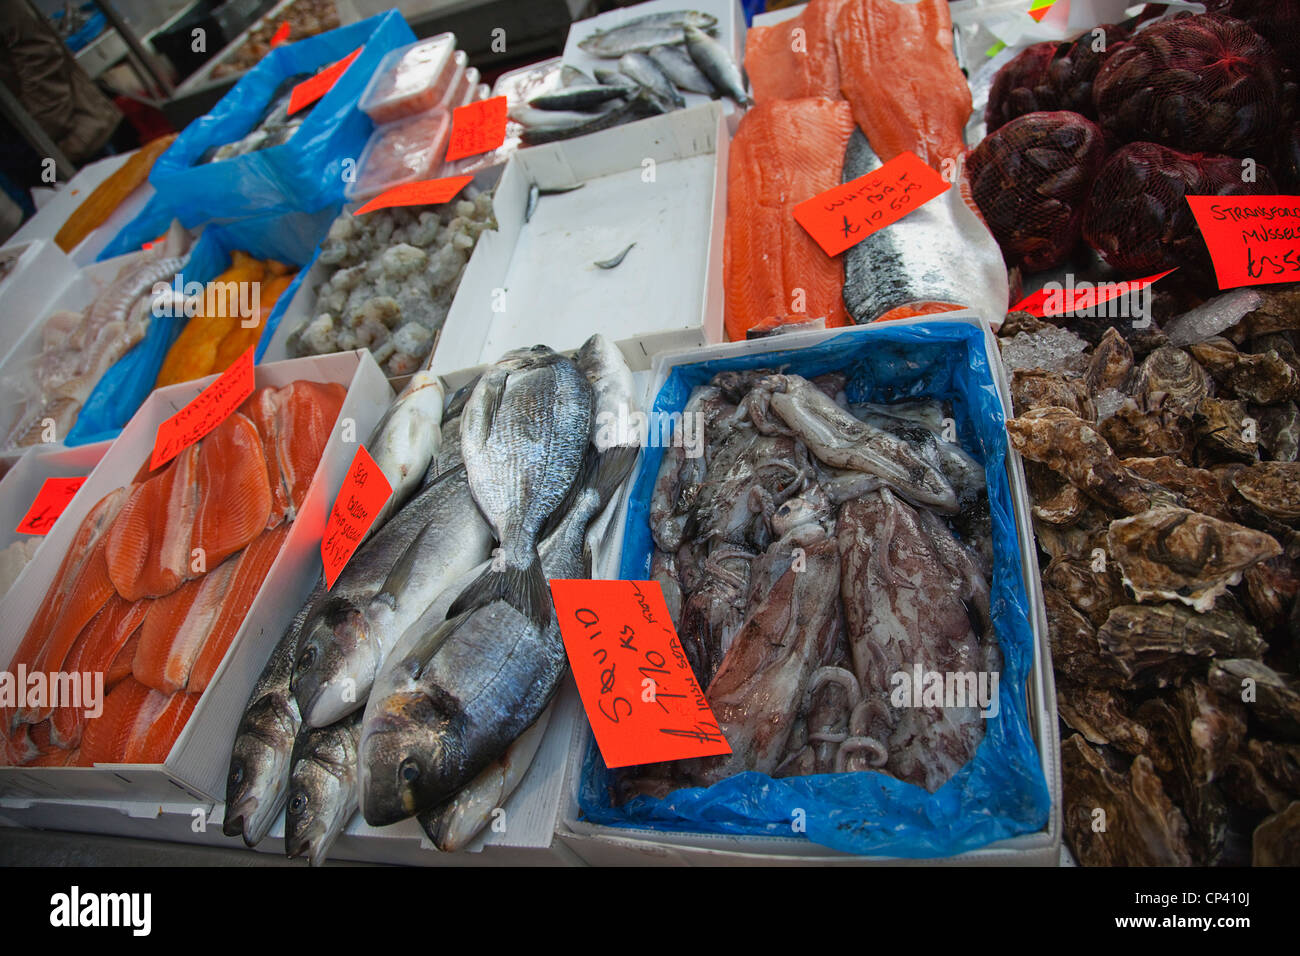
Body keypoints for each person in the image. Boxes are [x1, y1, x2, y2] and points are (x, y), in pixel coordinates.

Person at [0, 0, 123, 166]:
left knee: (110, 178)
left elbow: (37, 50)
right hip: (20, 142)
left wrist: (49, 125)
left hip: (59, 130)